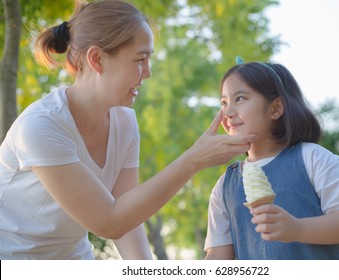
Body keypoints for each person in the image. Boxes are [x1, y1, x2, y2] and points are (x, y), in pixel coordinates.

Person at [0, 1, 256, 260]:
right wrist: (193, 160)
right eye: (140, 59)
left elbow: (127, 219)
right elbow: (109, 222)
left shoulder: (124, 122)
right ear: (97, 59)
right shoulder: (41, 126)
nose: (148, 72)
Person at [204, 57, 339, 260]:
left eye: (240, 99)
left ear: (275, 108)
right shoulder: (224, 186)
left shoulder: (312, 158)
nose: (227, 112)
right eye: (224, 102)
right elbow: (219, 255)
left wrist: (297, 228)